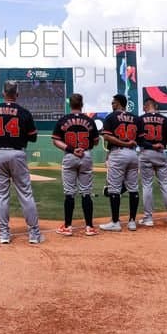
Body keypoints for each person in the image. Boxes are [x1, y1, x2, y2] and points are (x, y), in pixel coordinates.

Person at [0, 80, 41, 244]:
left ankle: (4, 233)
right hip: (17, 153)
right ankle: (34, 234)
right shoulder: (24, 112)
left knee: (1, 196)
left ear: (3, 94)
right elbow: (33, 137)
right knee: (26, 194)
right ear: (17, 94)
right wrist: (21, 134)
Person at [51, 93, 99, 236]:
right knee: (86, 192)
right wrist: (84, 147)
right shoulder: (89, 121)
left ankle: (68, 226)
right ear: (82, 104)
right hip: (86, 155)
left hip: (70, 155)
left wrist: (72, 149)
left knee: (69, 193)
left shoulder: (63, 120)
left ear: (70, 104)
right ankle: (89, 227)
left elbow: (55, 140)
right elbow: (96, 141)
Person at [99, 94, 140, 231]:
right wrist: (130, 144)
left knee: (114, 188)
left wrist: (124, 143)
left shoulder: (111, 117)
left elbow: (106, 136)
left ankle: (115, 222)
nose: (112, 104)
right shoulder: (135, 118)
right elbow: (140, 138)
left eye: (113, 102)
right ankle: (132, 222)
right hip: (133, 154)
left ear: (118, 103)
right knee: (133, 187)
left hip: (119, 152)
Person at [136, 97, 167, 227]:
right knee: (165, 185)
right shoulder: (166, 120)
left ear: (145, 106)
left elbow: (139, 141)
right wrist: (162, 144)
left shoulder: (140, 119)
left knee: (147, 185)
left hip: (146, 152)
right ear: (156, 106)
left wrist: (152, 146)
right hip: (161, 153)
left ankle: (148, 218)